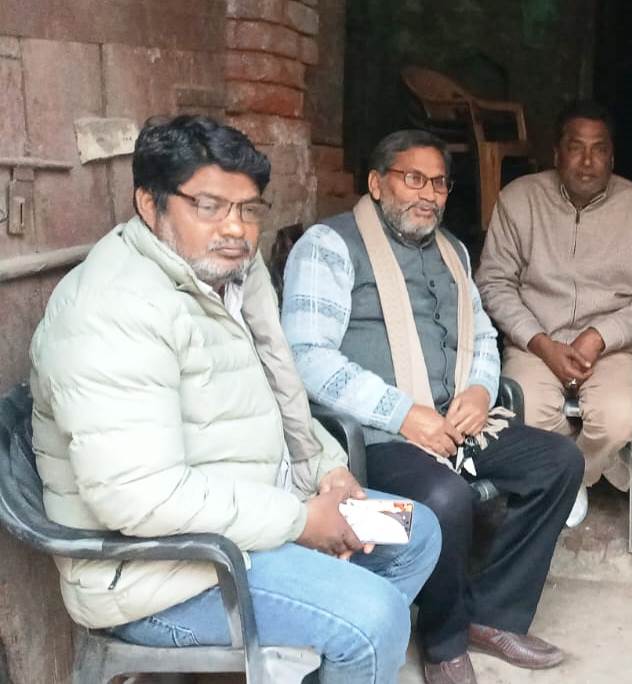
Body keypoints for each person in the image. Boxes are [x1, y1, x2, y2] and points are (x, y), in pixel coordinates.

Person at [28, 115, 440, 684]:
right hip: (164, 574)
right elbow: (138, 498)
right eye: (209, 206)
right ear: (149, 203)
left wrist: (329, 469)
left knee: (415, 533)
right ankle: (343, 634)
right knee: (375, 617)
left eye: (248, 209)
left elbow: (281, 387)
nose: (235, 229)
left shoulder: (230, 274)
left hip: (254, 510)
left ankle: (321, 653)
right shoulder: (113, 311)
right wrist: (300, 522)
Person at [282, 129, 582, 684]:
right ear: (377, 184)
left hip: (456, 421)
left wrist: (480, 391)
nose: (429, 194)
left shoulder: (453, 251)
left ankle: (492, 615)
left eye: (439, 183)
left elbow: (482, 336)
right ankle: (444, 639)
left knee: (559, 462)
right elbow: (306, 358)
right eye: (413, 178)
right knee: (444, 497)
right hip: (376, 432)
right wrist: (402, 413)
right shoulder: (329, 245)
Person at [476, 100, 632, 526]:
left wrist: (600, 335)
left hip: (610, 350)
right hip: (535, 343)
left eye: (598, 149)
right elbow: (493, 282)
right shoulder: (519, 200)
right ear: (556, 153)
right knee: (524, 414)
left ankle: (573, 478)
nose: (587, 162)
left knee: (618, 419)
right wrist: (540, 342)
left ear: (612, 157)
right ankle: (590, 470)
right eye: (575, 147)